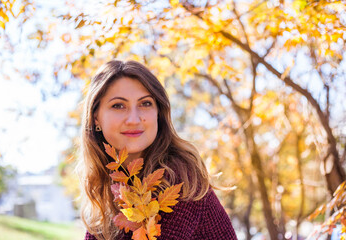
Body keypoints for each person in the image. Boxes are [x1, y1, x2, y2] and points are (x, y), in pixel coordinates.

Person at [78, 60, 237, 240]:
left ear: (158, 114)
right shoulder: (109, 187)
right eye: (118, 105)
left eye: (145, 104)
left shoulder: (179, 177)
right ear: (96, 118)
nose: (133, 119)